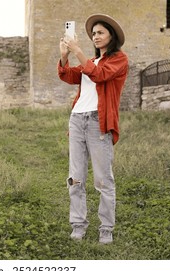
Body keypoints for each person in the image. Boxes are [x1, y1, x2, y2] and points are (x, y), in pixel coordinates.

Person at [57, 14, 128, 244]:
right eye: (94, 34)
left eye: (100, 33)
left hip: (99, 122)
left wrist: (77, 50)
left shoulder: (119, 60)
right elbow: (67, 75)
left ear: (111, 36)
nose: (96, 37)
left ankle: (106, 229)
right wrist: (64, 55)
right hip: (77, 120)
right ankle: (78, 225)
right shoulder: (92, 62)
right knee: (75, 177)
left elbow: (99, 76)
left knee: (103, 180)